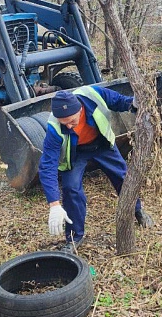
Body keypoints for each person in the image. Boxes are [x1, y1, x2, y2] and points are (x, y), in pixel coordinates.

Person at [39, 87, 155, 254]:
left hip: (101, 144)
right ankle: (74, 238)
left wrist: (134, 103)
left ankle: (137, 210)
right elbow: (47, 165)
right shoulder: (54, 127)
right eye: (64, 124)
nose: (69, 126)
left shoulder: (92, 95)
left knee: (123, 177)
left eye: (72, 121)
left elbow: (118, 101)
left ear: (80, 109)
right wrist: (54, 204)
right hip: (75, 153)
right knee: (71, 188)